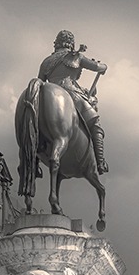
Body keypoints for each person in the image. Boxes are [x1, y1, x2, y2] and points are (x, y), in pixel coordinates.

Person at [38, 29, 109, 173]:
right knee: (95, 122)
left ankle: (34, 165)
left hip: (45, 95)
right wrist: (104, 67)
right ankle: (100, 163)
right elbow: (96, 67)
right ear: (71, 43)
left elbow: (40, 81)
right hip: (70, 93)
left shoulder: (46, 61)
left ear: (56, 43)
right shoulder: (75, 56)